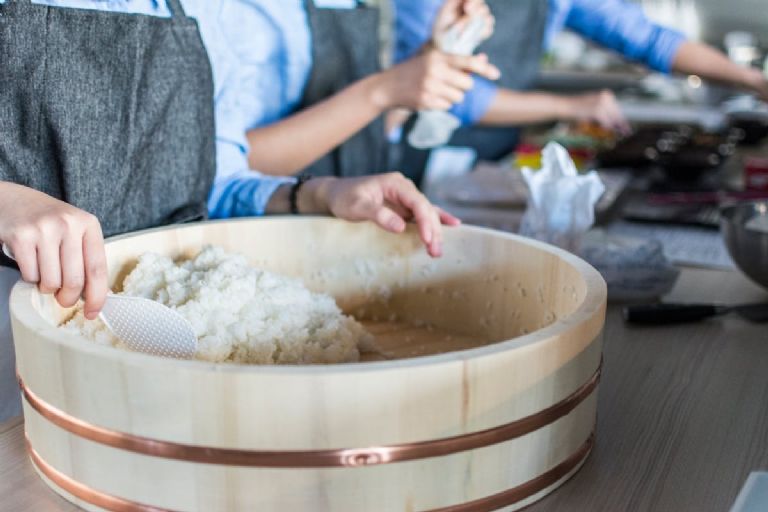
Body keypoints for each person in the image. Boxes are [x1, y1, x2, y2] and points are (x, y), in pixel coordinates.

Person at [0, 0, 459, 422]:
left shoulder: (209, 11)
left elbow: (215, 178)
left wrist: (319, 194)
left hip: (156, 333)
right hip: (17, 325)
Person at [395, 0, 768, 177]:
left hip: (496, 153)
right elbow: (460, 96)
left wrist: (752, 80)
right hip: (420, 153)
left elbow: (647, 39)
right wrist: (570, 105)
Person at [231, 0, 498, 181]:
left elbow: (365, 133)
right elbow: (225, 164)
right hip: (264, 228)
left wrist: (433, 56)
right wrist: (382, 90)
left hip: (348, 216)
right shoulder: (236, 12)